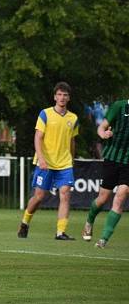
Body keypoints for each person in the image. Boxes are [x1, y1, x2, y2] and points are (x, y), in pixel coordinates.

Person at [17, 82, 79, 240]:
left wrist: (71, 159)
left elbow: (72, 141)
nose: (62, 97)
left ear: (69, 98)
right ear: (54, 97)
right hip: (45, 163)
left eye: (65, 95)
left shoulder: (73, 118)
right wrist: (42, 159)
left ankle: (60, 232)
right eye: (59, 94)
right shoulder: (45, 114)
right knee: (39, 197)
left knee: (65, 195)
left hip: (64, 163)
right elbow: (38, 137)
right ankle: (25, 222)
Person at [82, 98, 129, 247]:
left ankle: (103, 239)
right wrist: (103, 134)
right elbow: (101, 127)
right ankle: (89, 220)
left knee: (121, 196)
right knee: (102, 199)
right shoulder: (119, 106)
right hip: (112, 158)